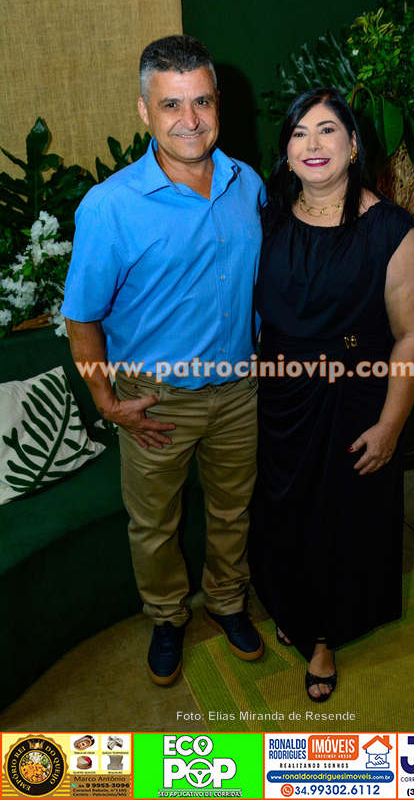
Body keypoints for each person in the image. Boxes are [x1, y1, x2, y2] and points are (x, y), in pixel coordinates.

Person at [62, 34, 264, 686]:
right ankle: (167, 617)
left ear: (217, 103)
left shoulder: (247, 184)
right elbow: (81, 317)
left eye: (201, 101)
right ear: (145, 111)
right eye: (172, 104)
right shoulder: (111, 206)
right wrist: (107, 401)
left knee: (233, 511)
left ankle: (227, 602)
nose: (190, 120)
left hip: (239, 390)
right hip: (155, 398)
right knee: (154, 525)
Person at [249, 86, 414, 702]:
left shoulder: (392, 232)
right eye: (299, 132)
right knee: (285, 512)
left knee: (337, 521)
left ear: (353, 144)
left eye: (327, 129)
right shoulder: (270, 214)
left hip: (353, 400)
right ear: (286, 150)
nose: (313, 144)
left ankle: (323, 636)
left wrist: (390, 426)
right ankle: (290, 604)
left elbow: (412, 337)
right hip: (279, 398)